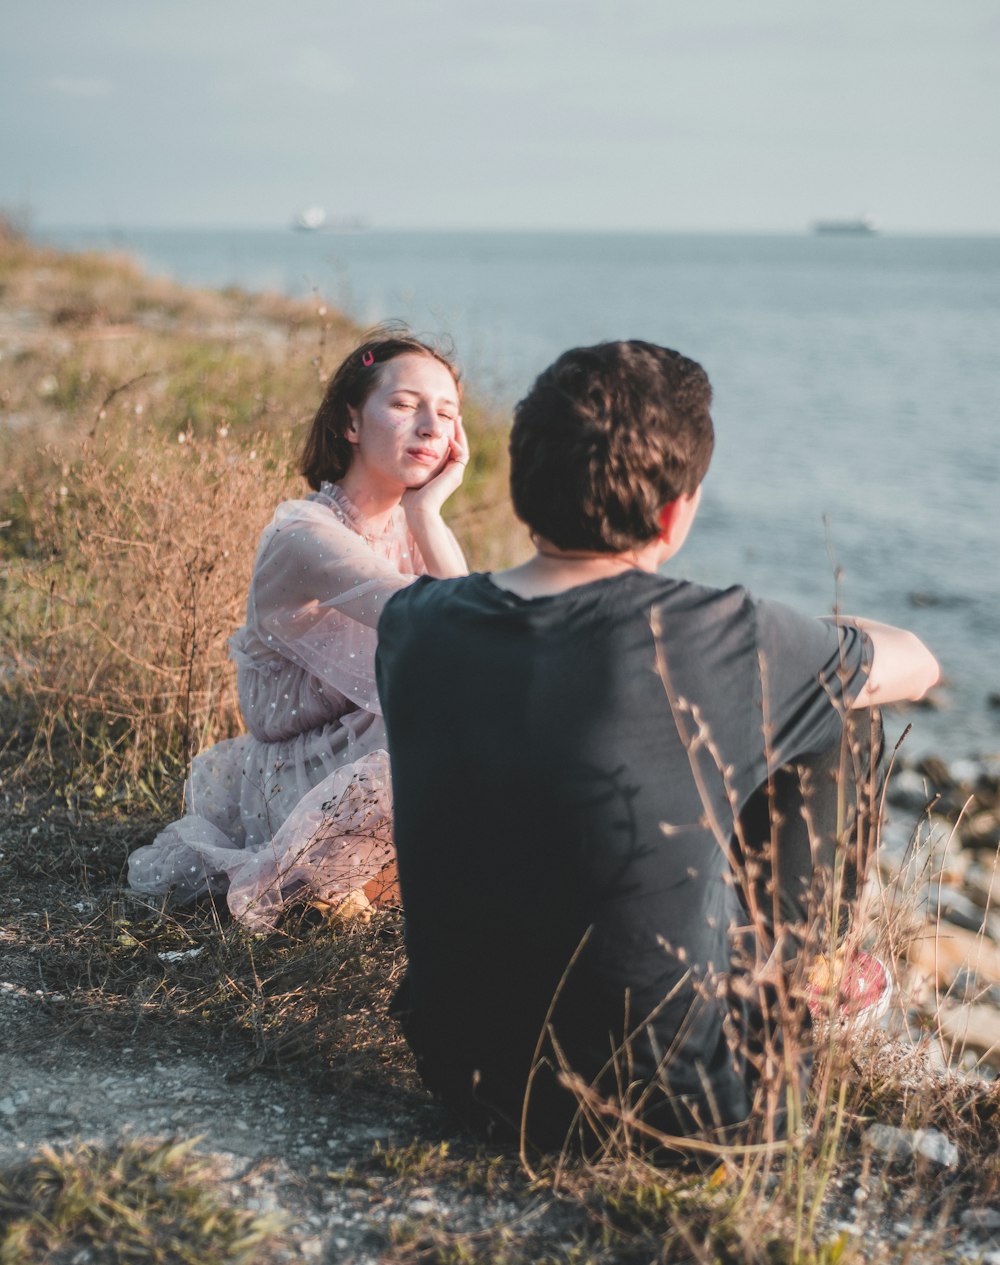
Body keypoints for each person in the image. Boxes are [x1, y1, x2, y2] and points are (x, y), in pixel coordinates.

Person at [375, 340, 939, 1158]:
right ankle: (807, 977)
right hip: (691, 1110)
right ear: (676, 514)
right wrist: (809, 639)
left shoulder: (414, 623)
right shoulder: (715, 633)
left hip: (466, 1076)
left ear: (522, 481)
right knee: (844, 710)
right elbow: (917, 662)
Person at [128, 331, 469, 928]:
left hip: (364, 751)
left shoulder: (414, 530)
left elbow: (478, 637)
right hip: (295, 784)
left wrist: (425, 513)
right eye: (404, 404)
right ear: (351, 424)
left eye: (447, 413)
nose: (430, 426)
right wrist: (430, 512)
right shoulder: (305, 535)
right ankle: (339, 883)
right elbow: (458, 622)